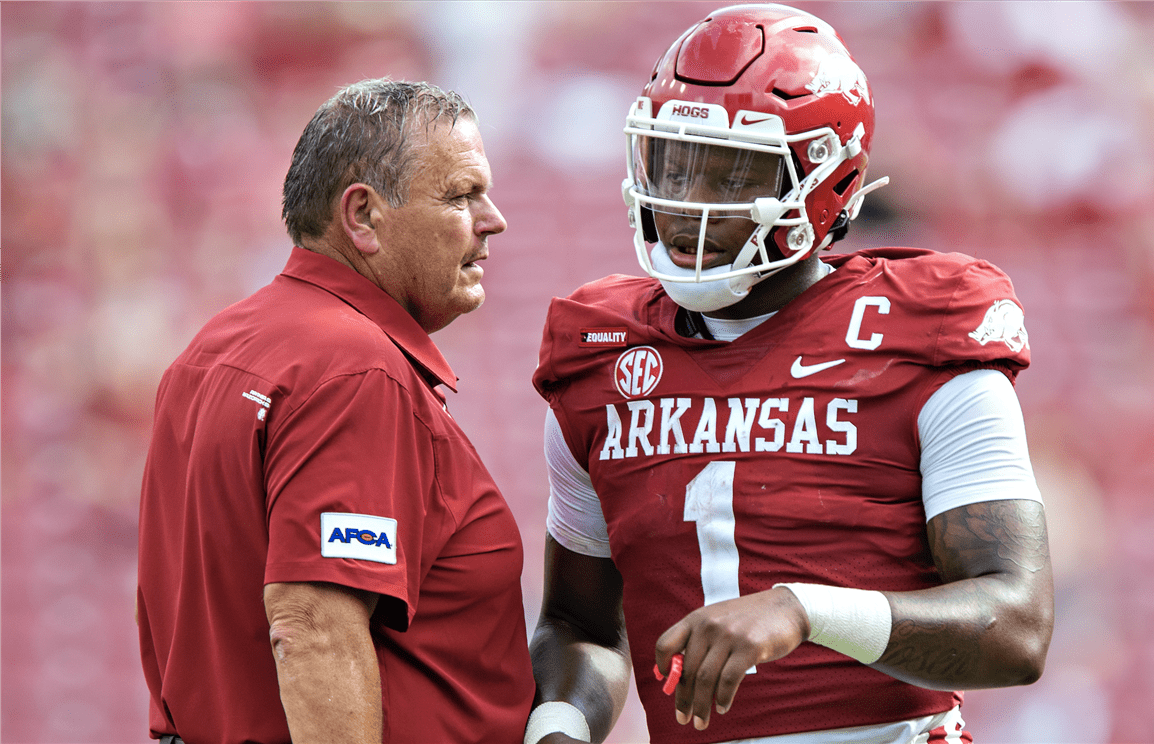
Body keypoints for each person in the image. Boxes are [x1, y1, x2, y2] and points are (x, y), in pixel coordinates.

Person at [526, 5, 1053, 744]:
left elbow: (1017, 627)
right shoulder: (601, 357)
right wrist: (559, 729)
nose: (685, 205)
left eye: (729, 173)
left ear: (824, 182)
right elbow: (579, 625)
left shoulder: (923, 335)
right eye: (672, 162)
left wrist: (806, 610)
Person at [137, 78, 535, 744]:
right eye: (462, 195)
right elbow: (314, 627)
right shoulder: (356, 368)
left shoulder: (214, 347)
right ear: (363, 217)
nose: (492, 219)